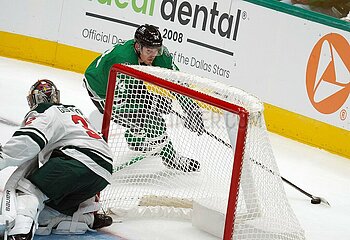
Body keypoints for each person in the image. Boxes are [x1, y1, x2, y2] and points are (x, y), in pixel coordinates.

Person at [0, 79, 113, 240]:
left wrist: (3, 157)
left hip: (75, 161)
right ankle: (86, 218)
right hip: (103, 173)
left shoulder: (44, 111)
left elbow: (29, 140)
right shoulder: (75, 111)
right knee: (47, 211)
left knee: (28, 191)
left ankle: (20, 233)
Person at [84, 24, 204, 173]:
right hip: (103, 91)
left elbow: (178, 82)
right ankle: (170, 158)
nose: (153, 55)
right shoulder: (123, 60)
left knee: (146, 112)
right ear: (137, 46)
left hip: (128, 85)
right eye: (149, 50)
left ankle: (135, 139)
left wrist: (190, 108)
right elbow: (124, 100)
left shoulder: (160, 55)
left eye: (156, 50)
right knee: (153, 121)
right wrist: (153, 101)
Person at [280, 0, 350, 19]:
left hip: (335, 10)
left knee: (298, 8)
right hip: (310, 4)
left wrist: (310, 1)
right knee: (283, 4)